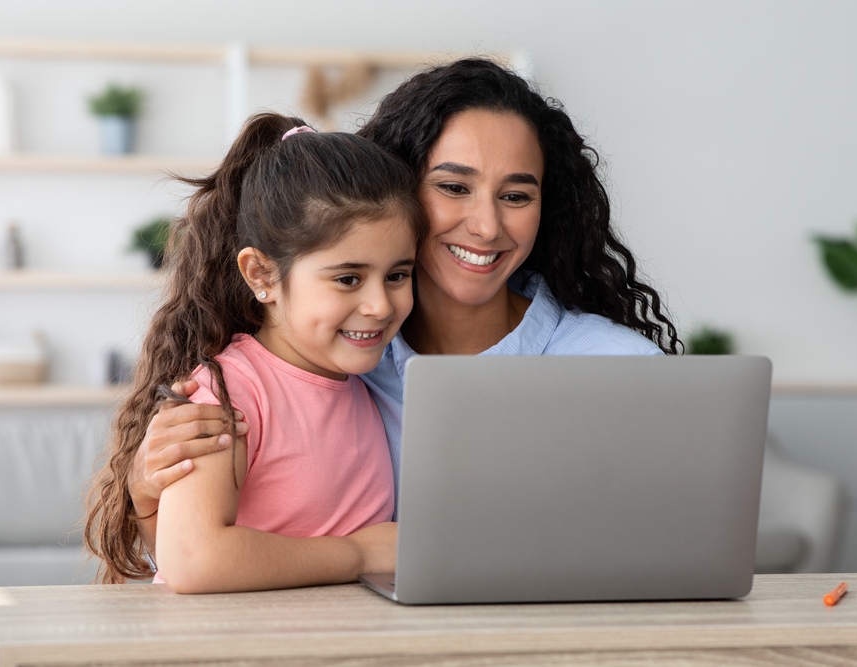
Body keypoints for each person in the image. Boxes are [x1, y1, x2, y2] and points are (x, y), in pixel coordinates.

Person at [108, 58, 682, 577]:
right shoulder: (350, 365)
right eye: (454, 186)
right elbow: (195, 561)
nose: (486, 226)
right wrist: (147, 498)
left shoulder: (619, 367)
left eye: (516, 196)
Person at [84, 113, 427, 591]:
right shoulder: (233, 395)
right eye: (348, 278)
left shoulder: (362, 383)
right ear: (262, 275)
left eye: (397, 275)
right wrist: (359, 552)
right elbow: (192, 559)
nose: (379, 305)